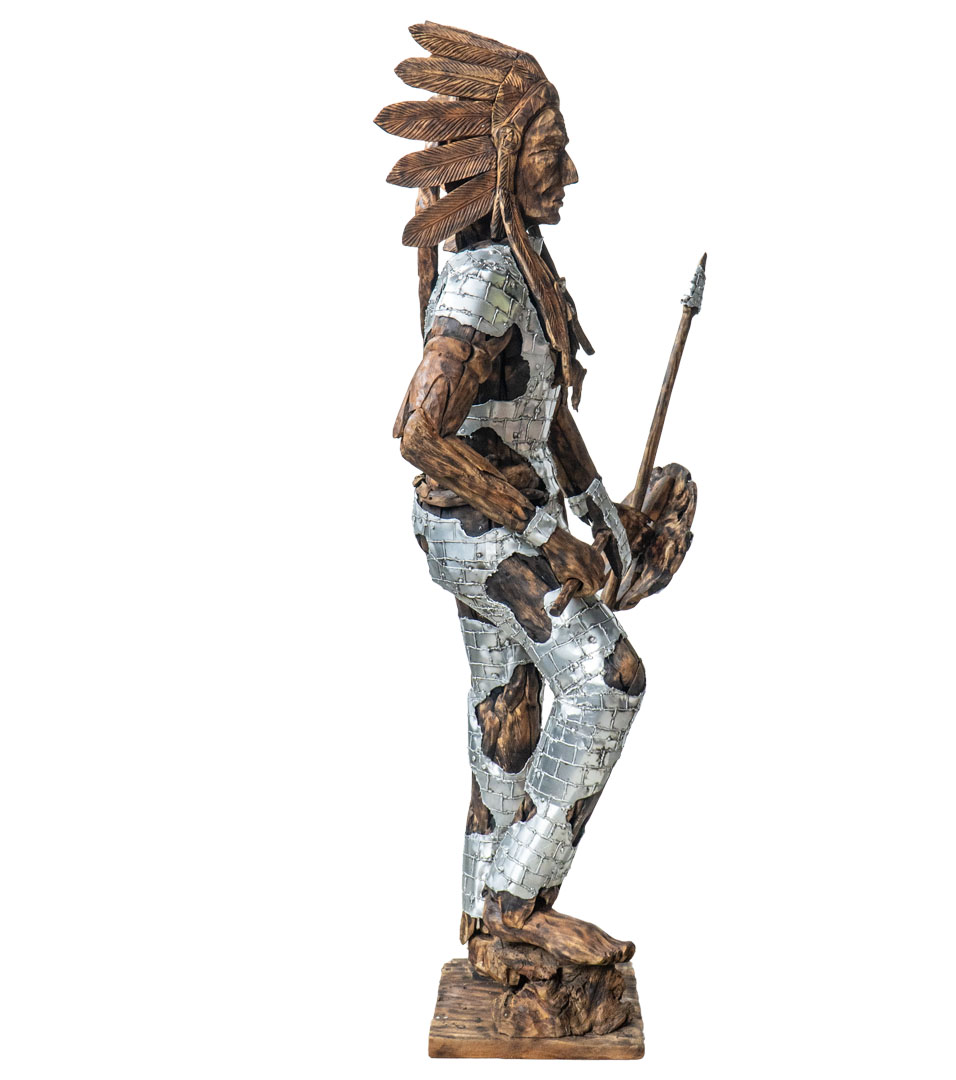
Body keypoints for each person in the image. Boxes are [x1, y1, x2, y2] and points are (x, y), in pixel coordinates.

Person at [378, 22, 654, 973]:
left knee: (508, 707)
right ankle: (515, 902)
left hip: (484, 523)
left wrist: (606, 522)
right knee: (608, 681)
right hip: (477, 527)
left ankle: (481, 925)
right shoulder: (491, 280)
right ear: (502, 156)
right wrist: (548, 532)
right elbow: (420, 432)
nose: (567, 171)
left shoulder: (518, 265)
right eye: (549, 148)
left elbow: (543, 415)